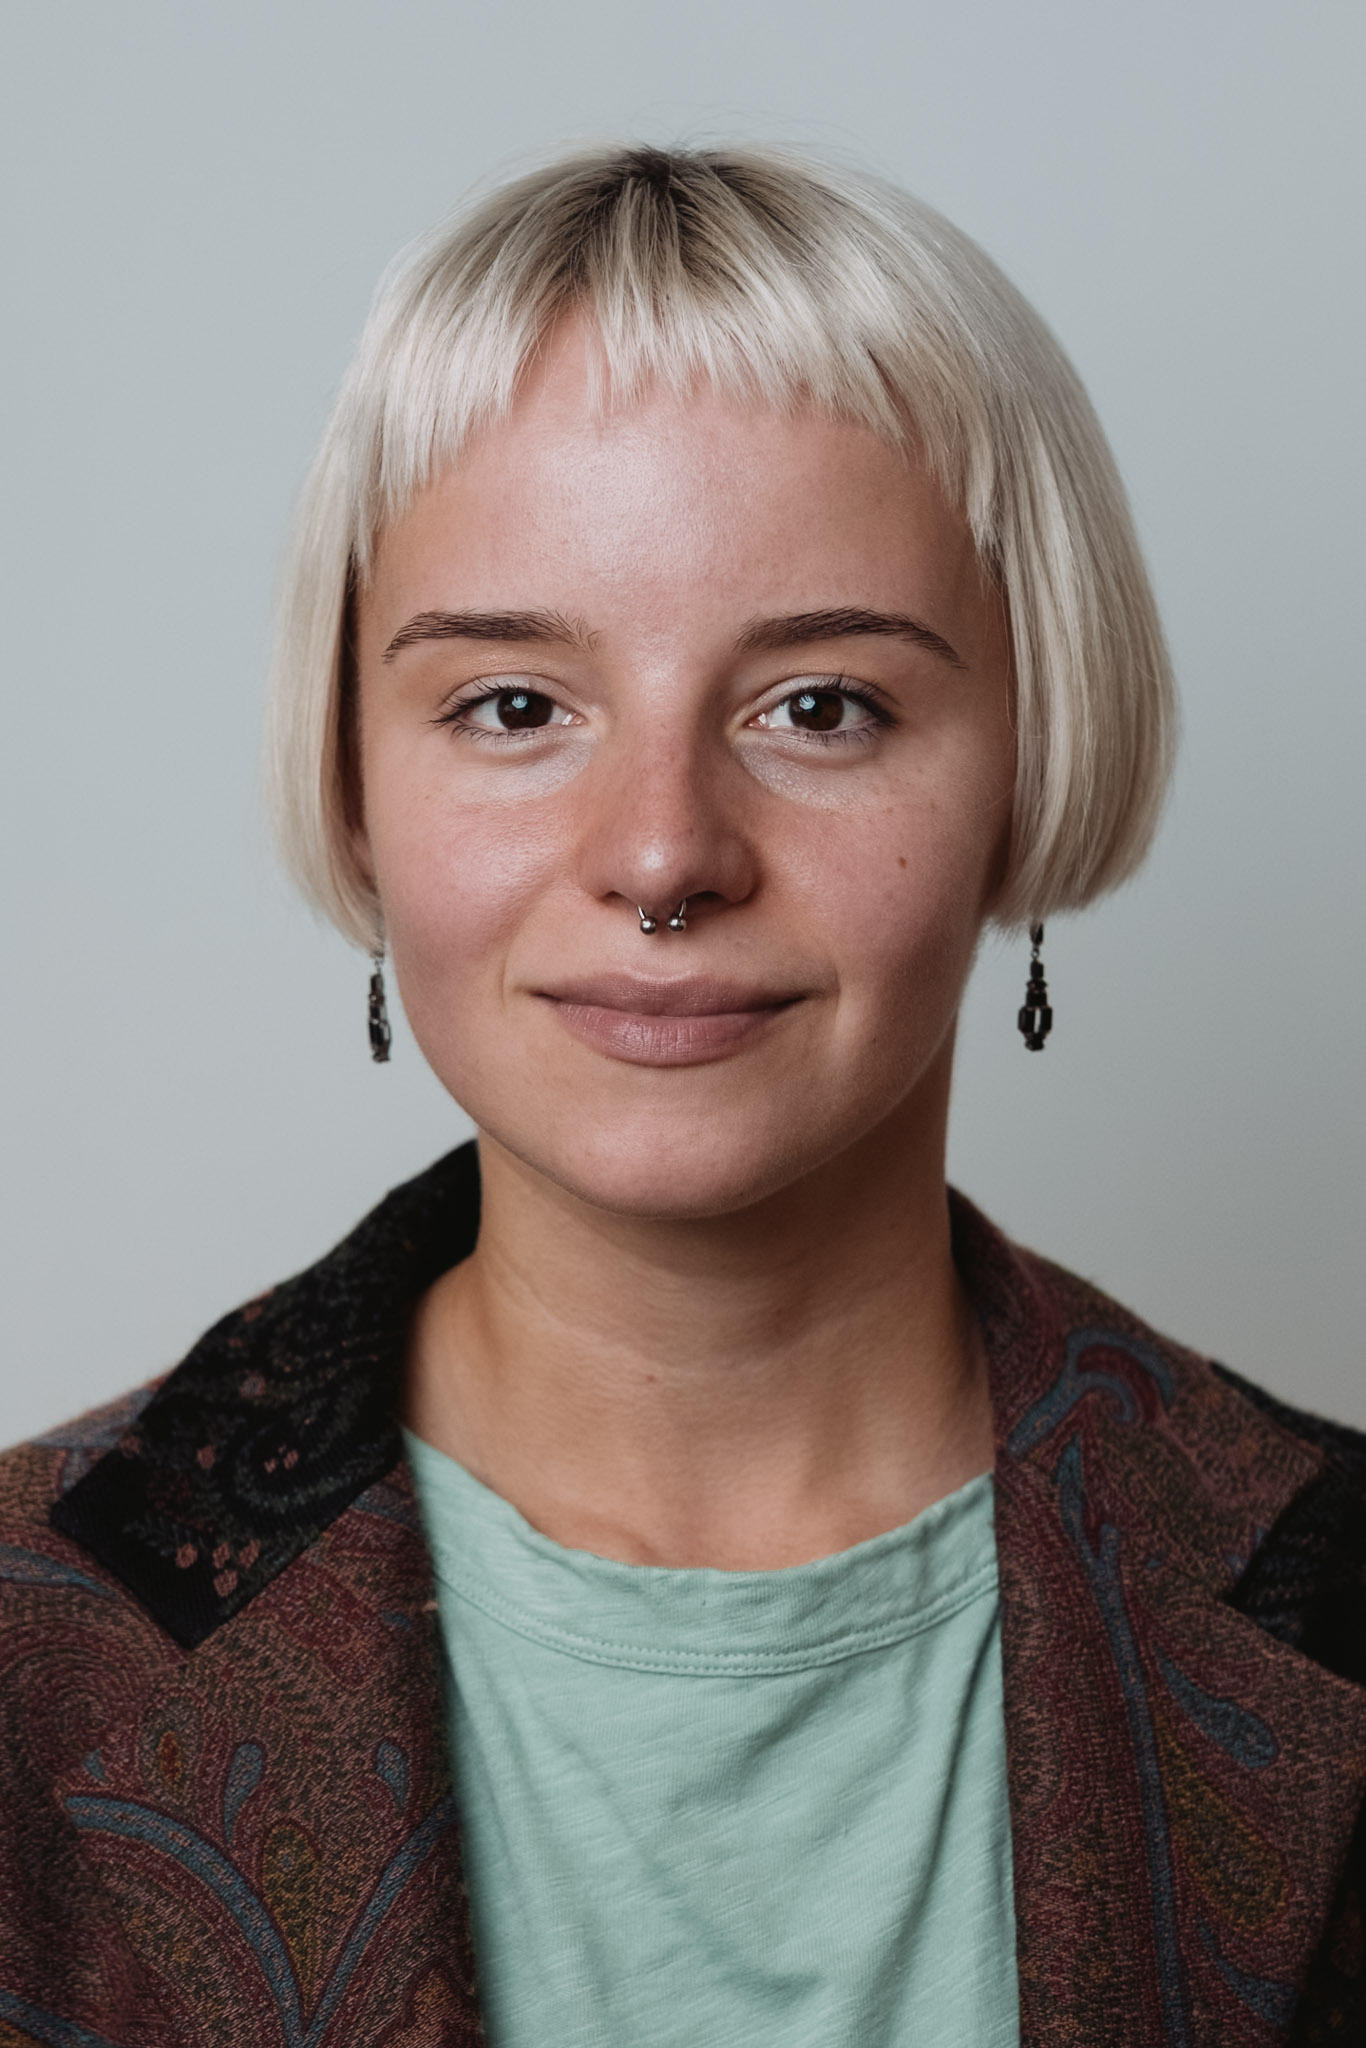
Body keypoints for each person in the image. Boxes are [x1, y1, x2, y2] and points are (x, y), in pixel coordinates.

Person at [1, 143, 1362, 2048]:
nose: (659, 854)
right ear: (354, 786)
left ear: (1029, 760)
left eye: (819, 705)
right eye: (511, 705)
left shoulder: (1338, 1600)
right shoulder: (26, 1643)